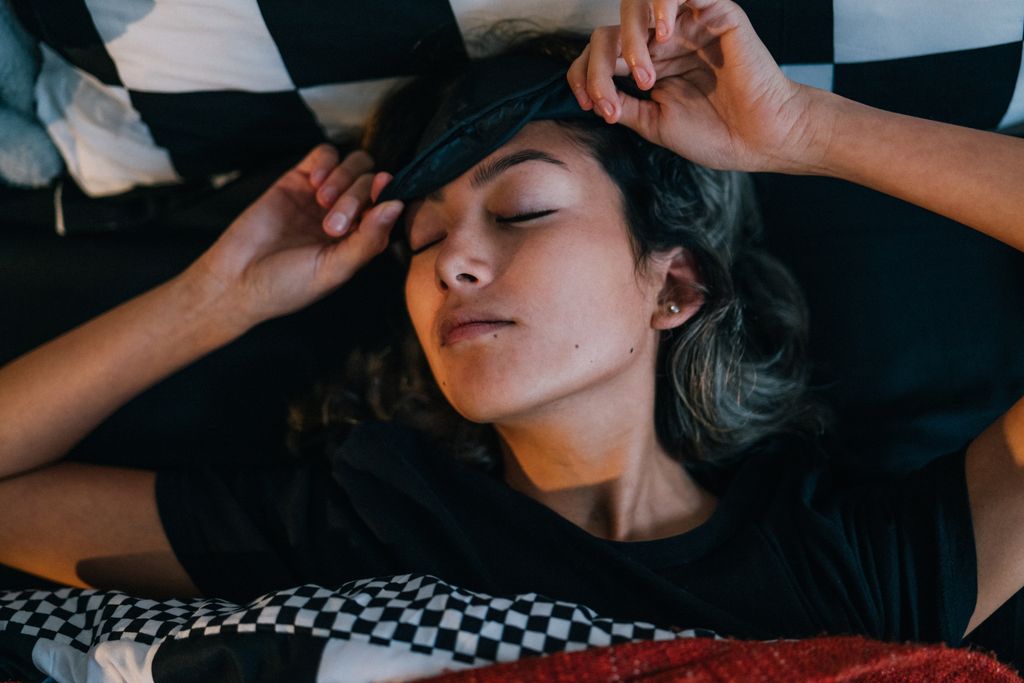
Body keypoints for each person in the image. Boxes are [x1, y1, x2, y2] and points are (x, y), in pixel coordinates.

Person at [0, 0, 1020, 650]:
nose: (453, 260)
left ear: (674, 287)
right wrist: (214, 298)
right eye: (423, 242)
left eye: (523, 209)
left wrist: (805, 129)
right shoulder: (368, 522)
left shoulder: (857, 563)